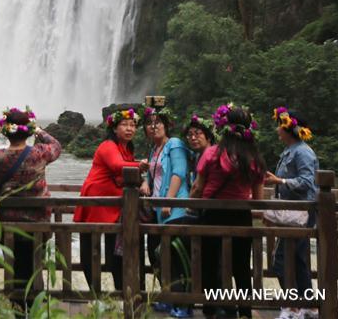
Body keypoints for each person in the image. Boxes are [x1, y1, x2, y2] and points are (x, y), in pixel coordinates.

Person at [191, 104, 265, 319]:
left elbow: (197, 188)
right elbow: (258, 200)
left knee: (210, 262)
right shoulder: (255, 159)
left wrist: (191, 202)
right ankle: (245, 312)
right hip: (241, 216)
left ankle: (210, 310)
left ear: (223, 127)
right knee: (241, 266)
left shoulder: (211, 153)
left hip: (212, 214)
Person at [0, 106, 61, 298]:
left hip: (8, 224)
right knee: (35, 265)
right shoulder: (40, 153)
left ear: (7, 132)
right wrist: (38, 129)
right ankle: (34, 304)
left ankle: (17, 305)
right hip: (39, 223)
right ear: (28, 131)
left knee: (15, 266)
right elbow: (56, 145)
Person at [73, 107, 147, 291]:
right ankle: (94, 291)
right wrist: (140, 165)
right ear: (114, 128)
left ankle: (119, 290)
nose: (129, 128)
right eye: (124, 125)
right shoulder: (107, 145)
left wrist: (143, 179)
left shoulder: (127, 149)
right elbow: (116, 165)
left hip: (113, 202)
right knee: (90, 246)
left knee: (114, 248)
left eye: (133, 125)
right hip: (96, 200)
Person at [264, 107, 318, 319]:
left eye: (280, 125)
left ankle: (292, 306)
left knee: (280, 260)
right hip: (295, 212)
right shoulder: (291, 151)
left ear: (289, 129)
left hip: (301, 213)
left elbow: (307, 182)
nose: (277, 129)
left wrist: (280, 180)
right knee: (298, 260)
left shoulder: (302, 152)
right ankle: (309, 306)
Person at [142, 108, 192, 318]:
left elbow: (179, 172)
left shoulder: (175, 144)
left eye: (158, 122)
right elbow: (153, 173)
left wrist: (169, 201)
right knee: (158, 255)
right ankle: (168, 297)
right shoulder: (155, 149)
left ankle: (184, 305)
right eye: (149, 123)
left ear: (167, 125)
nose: (154, 126)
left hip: (175, 208)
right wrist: (145, 181)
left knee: (176, 257)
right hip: (158, 210)